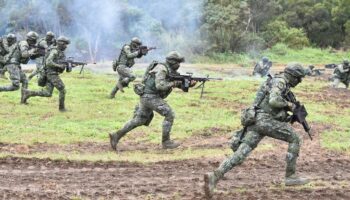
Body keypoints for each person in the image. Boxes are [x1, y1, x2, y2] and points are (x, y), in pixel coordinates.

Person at [204, 63, 310, 197]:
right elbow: (273, 101)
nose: (299, 81)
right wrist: (290, 106)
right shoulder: (281, 81)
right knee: (295, 138)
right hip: (265, 121)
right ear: (293, 76)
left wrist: (288, 114)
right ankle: (290, 176)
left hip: (256, 120)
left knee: (242, 152)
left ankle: (214, 176)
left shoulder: (277, 80)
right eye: (299, 78)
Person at [109, 51, 196, 150]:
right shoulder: (162, 69)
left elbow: (175, 82)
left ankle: (116, 136)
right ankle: (166, 142)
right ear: (172, 62)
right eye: (177, 62)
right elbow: (160, 86)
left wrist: (188, 84)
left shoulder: (169, 70)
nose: (179, 65)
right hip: (150, 97)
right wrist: (174, 83)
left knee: (139, 120)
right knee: (169, 114)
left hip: (146, 97)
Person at [22, 36, 71, 112]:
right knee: (62, 89)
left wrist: (68, 65)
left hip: (51, 73)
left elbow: (59, 62)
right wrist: (59, 66)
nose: (66, 46)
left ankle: (28, 93)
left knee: (47, 93)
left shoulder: (59, 52)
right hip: (51, 74)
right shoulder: (54, 51)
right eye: (65, 44)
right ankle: (62, 108)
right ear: (60, 43)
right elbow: (49, 62)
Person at [0, 31, 39, 103]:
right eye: (34, 40)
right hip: (12, 65)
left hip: (15, 65)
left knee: (25, 81)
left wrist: (35, 53)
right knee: (15, 86)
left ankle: (23, 100)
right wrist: (33, 50)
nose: (35, 42)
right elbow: (24, 54)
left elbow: (24, 60)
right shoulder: (24, 43)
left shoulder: (27, 45)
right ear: (31, 39)